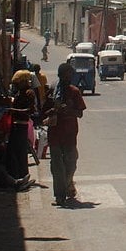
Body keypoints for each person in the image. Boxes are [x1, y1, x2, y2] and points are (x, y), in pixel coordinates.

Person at [44, 62, 87, 207]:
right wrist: (53, 111)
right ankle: (60, 196)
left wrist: (68, 110)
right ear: (61, 75)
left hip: (69, 134)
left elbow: (80, 113)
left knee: (71, 163)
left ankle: (67, 184)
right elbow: (43, 110)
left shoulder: (74, 92)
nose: (70, 76)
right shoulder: (52, 91)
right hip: (55, 133)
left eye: (70, 74)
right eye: (67, 74)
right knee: (57, 166)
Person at [5, 70, 36, 181]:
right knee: (13, 150)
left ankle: (22, 174)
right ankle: (15, 174)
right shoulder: (19, 93)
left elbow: (30, 110)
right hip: (15, 124)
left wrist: (14, 110)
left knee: (20, 150)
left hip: (22, 125)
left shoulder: (29, 93)